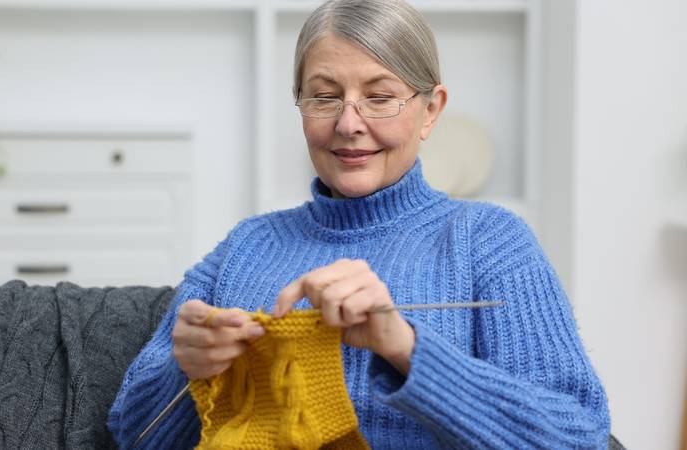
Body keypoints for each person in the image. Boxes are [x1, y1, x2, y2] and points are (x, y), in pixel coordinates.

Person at [108, 0, 610, 448]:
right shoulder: (244, 246)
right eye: (324, 97)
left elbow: (579, 436)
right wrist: (186, 371)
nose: (348, 124)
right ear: (301, 106)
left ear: (430, 111)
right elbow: (132, 435)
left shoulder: (488, 240)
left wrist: (404, 346)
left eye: (380, 96)